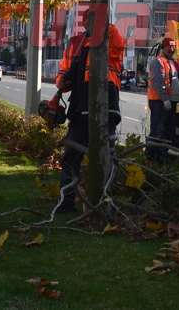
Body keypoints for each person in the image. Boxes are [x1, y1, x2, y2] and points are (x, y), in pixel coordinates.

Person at [53, 11, 125, 213]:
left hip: (106, 105)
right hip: (79, 107)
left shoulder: (110, 37)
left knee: (105, 156)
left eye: (98, 21)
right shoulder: (75, 43)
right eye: (89, 21)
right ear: (84, 22)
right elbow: (62, 74)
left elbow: (117, 45)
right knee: (72, 157)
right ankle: (67, 201)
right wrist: (62, 81)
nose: (92, 25)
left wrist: (103, 25)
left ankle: (104, 201)